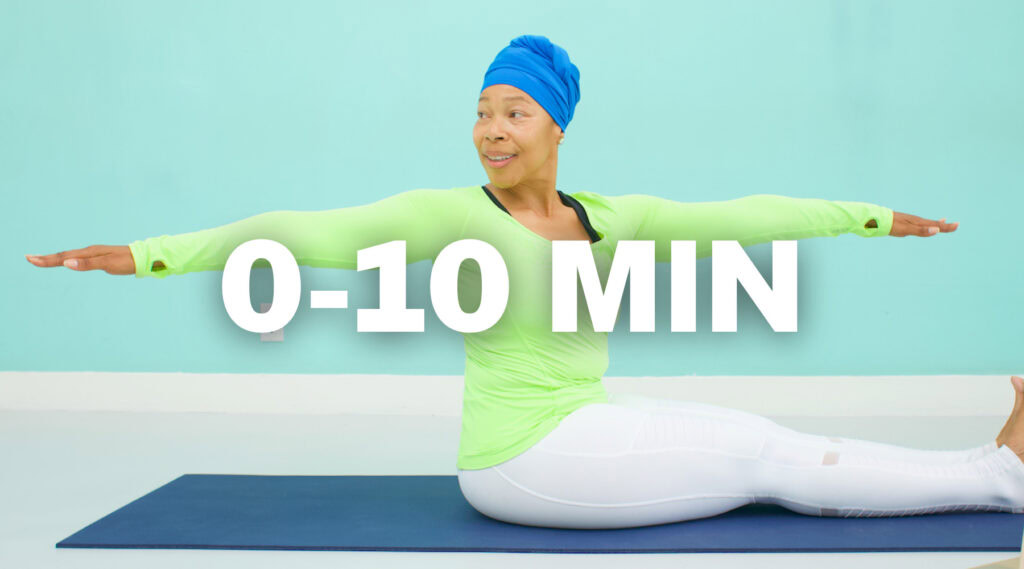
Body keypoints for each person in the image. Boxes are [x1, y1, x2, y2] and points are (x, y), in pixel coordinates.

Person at [25, 34, 1024, 529]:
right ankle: (994, 474)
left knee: (755, 437)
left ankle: (989, 468)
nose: (491, 131)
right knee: (764, 456)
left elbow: (742, 214)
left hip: (582, 424)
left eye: (514, 112)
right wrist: (152, 250)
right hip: (518, 460)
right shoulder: (456, 215)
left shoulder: (608, 216)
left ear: (555, 125)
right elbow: (299, 231)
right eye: (480, 111)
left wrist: (866, 216)